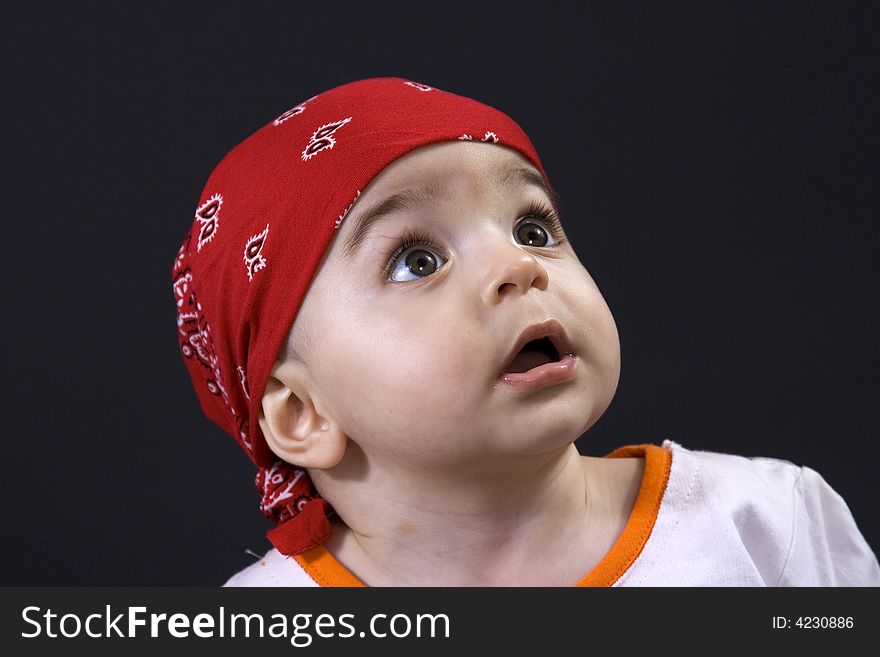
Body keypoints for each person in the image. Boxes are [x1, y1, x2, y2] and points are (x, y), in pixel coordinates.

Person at [171, 77, 880, 586]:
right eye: (417, 260)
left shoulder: (765, 523)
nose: (517, 265)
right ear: (303, 414)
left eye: (533, 227)